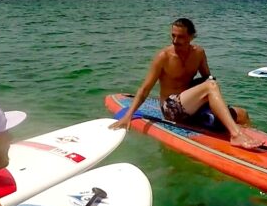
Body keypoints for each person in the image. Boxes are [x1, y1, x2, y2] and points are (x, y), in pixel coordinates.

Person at [111, 18, 259, 149]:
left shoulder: (199, 53)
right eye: (173, 35)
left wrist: (218, 107)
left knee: (242, 114)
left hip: (191, 106)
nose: (175, 40)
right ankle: (235, 134)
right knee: (210, 86)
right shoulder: (163, 57)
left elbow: (208, 78)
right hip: (170, 108)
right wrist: (128, 116)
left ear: (191, 36)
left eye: (180, 37)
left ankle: (252, 141)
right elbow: (144, 89)